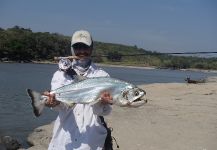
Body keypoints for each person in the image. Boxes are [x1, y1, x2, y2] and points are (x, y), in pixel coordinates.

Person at [44, 30, 113, 150]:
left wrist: (102, 103)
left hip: (91, 140)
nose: (81, 51)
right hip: (64, 140)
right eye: (77, 47)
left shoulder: (102, 75)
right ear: (72, 49)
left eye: (85, 47)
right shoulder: (60, 74)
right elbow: (61, 106)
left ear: (91, 48)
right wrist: (54, 103)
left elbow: (105, 112)